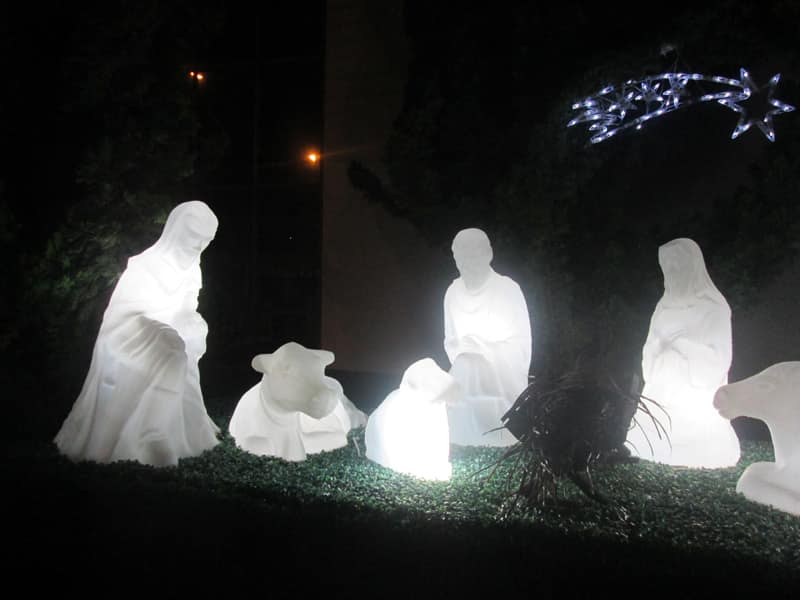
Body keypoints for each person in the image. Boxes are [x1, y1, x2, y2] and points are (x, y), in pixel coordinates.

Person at [55, 201, 221, 466]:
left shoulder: (192, 269)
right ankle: (152, 434)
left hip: (166, 328)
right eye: (194, 237)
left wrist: (192, 321)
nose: (199, 246)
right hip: (128, 328)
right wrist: (170, 325)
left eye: (206, 241)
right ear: (177, 231)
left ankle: (171, 427)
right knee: (171, 349)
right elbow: (129, 311)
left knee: (186, 339)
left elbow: (187, 306)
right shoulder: (146, 265)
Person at [626, 238, 740, 468]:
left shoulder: (714, 309)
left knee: (699, 442)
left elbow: (719, 360)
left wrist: (684, 347)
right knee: (647, 437)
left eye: (677, 268)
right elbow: (649, 349)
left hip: (696, 413)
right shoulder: (663, 307)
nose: (672, 275)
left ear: (692, 268)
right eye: (667, 270)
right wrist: (657, 350)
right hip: (659, 401)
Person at [443, 228, 532, 446]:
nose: (466, 264)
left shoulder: (507, 289)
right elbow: (451, 342)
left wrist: (485, 349)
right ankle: (462, 430)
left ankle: (494, 428)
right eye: (460, 258)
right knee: (465, 365)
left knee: (469, 365)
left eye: (472, 257)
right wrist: (465, 349)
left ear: (488, 255)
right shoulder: (452, 293)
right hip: (465, 373)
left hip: (501, 378)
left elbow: (520, 347)